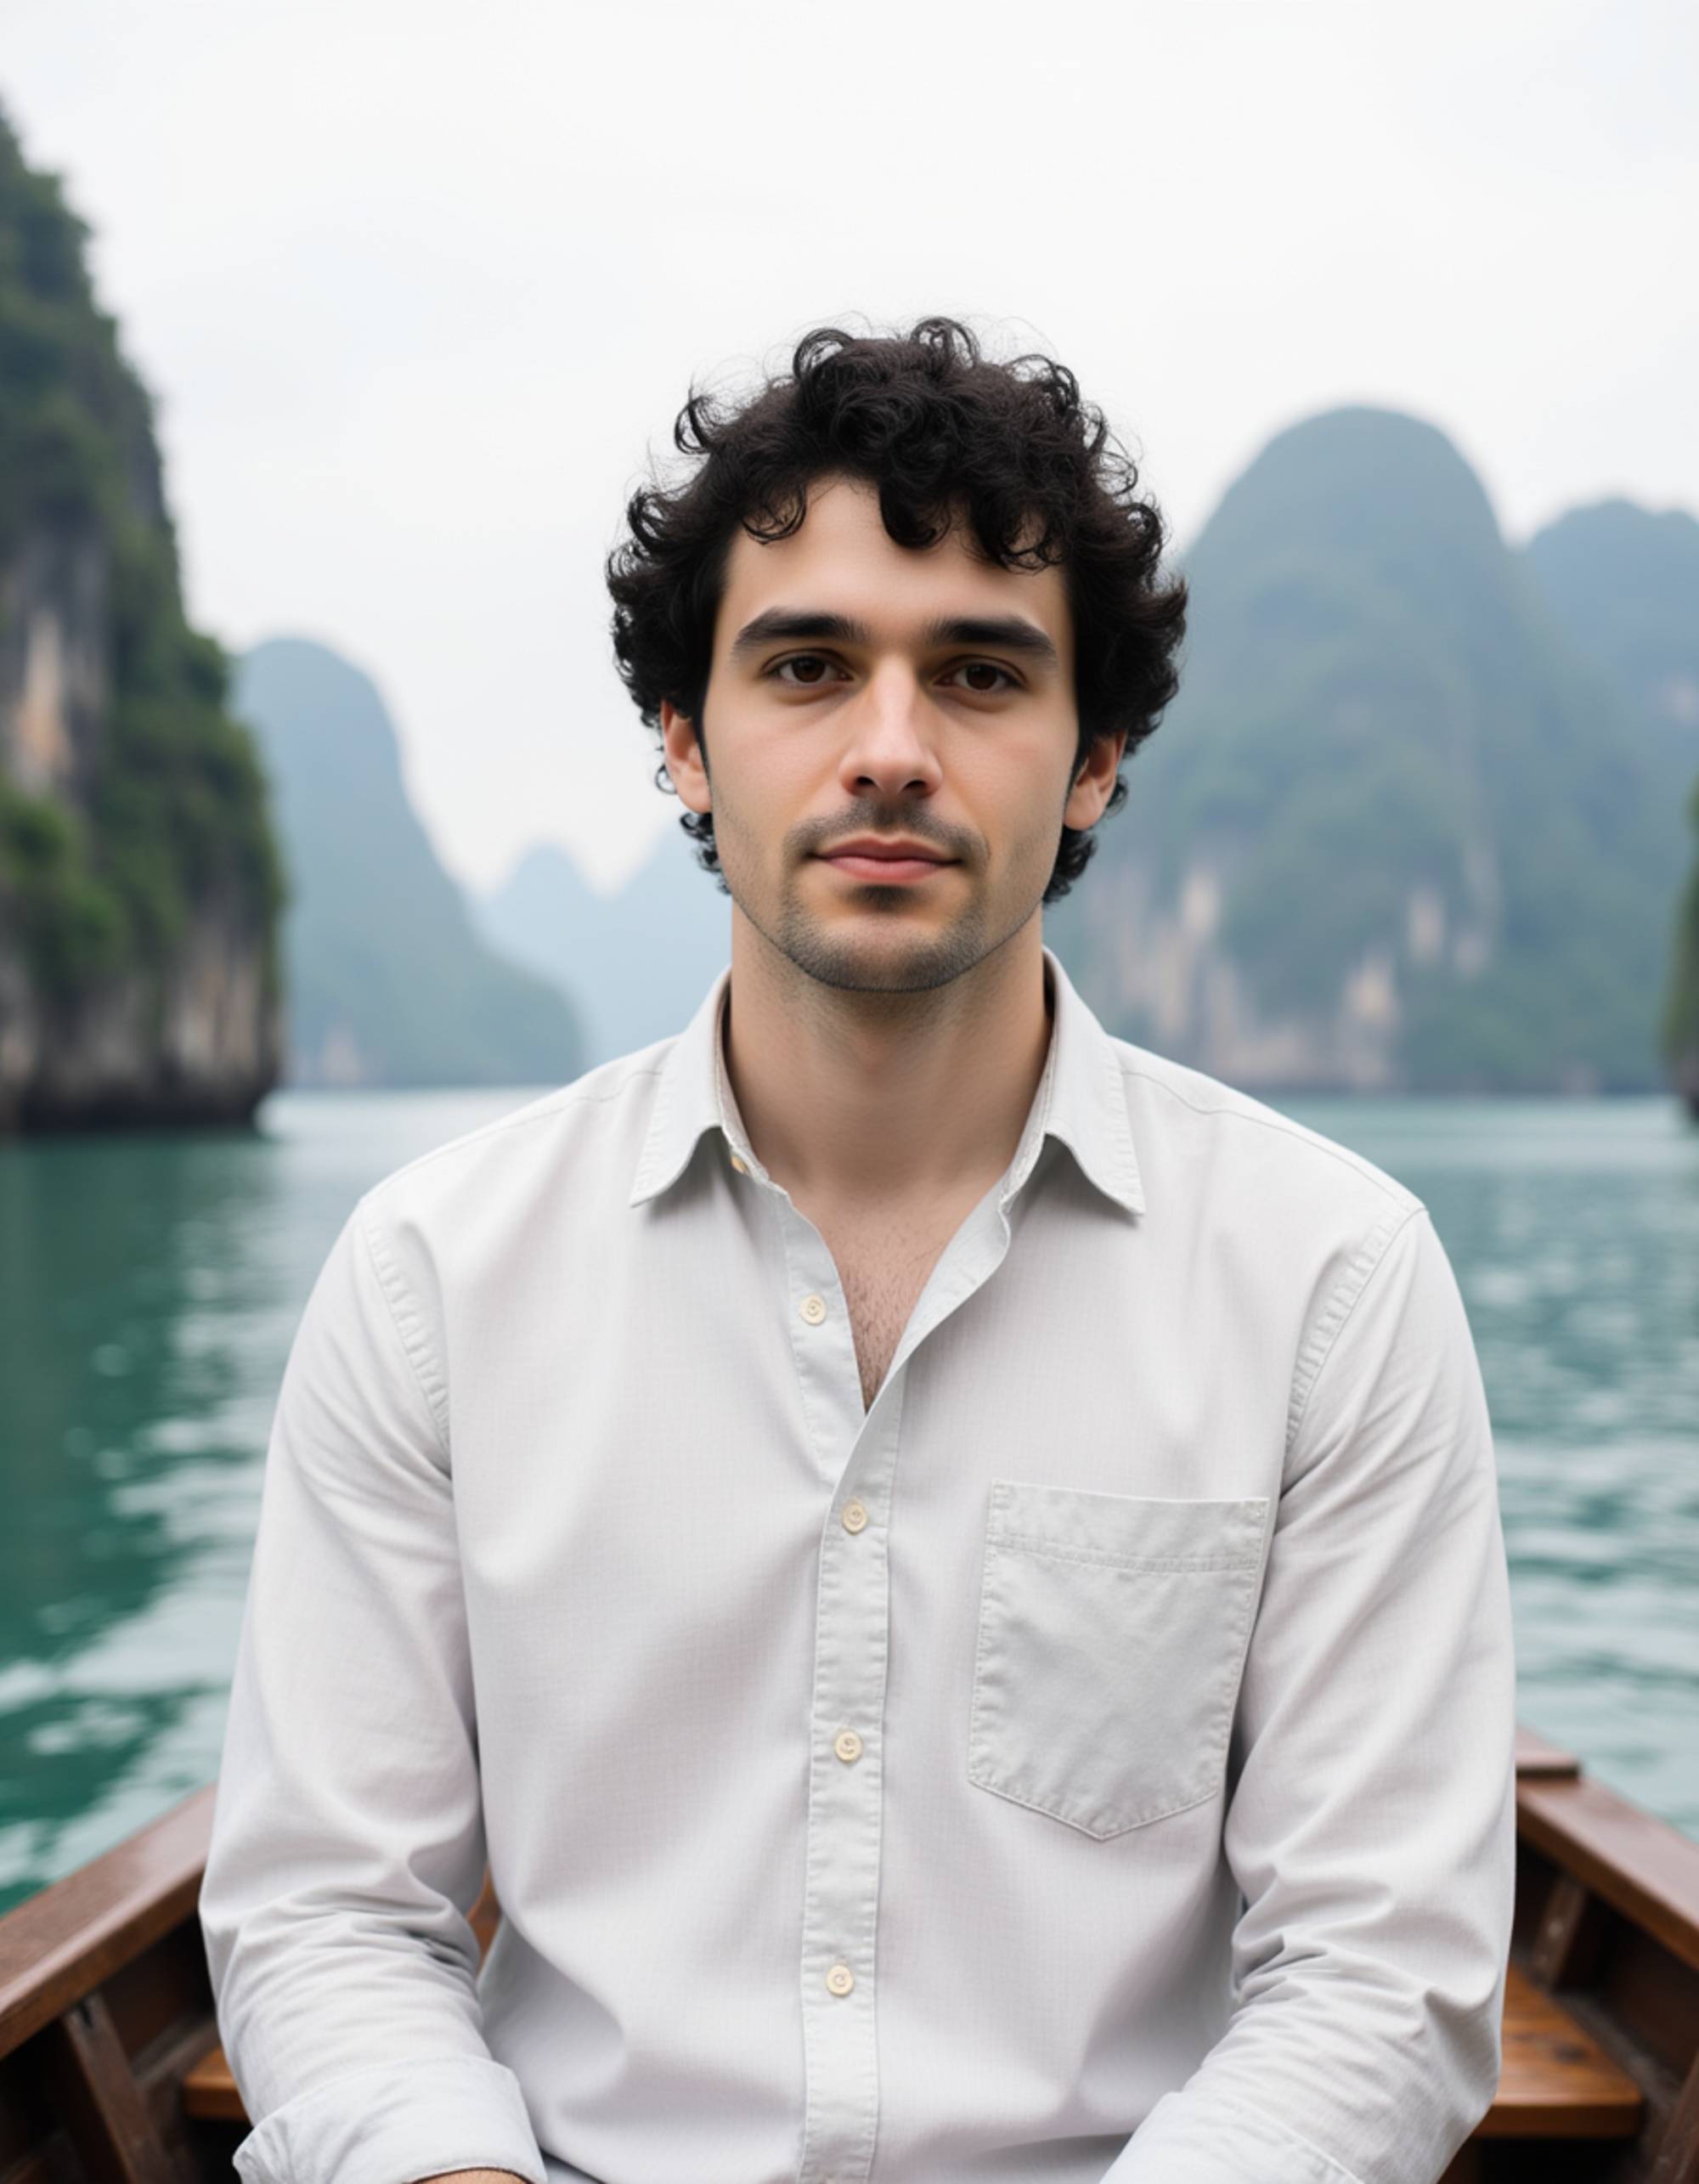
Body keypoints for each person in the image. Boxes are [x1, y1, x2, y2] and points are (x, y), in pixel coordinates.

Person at [198, 317, 1516, 2184]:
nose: (888, 749)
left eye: (979, 674)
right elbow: (330, 1910)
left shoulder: (1327, 1283)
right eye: (806, 664)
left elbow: (1380, 1968)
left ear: (1095, 761)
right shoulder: (435, 1273)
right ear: (682, 739)